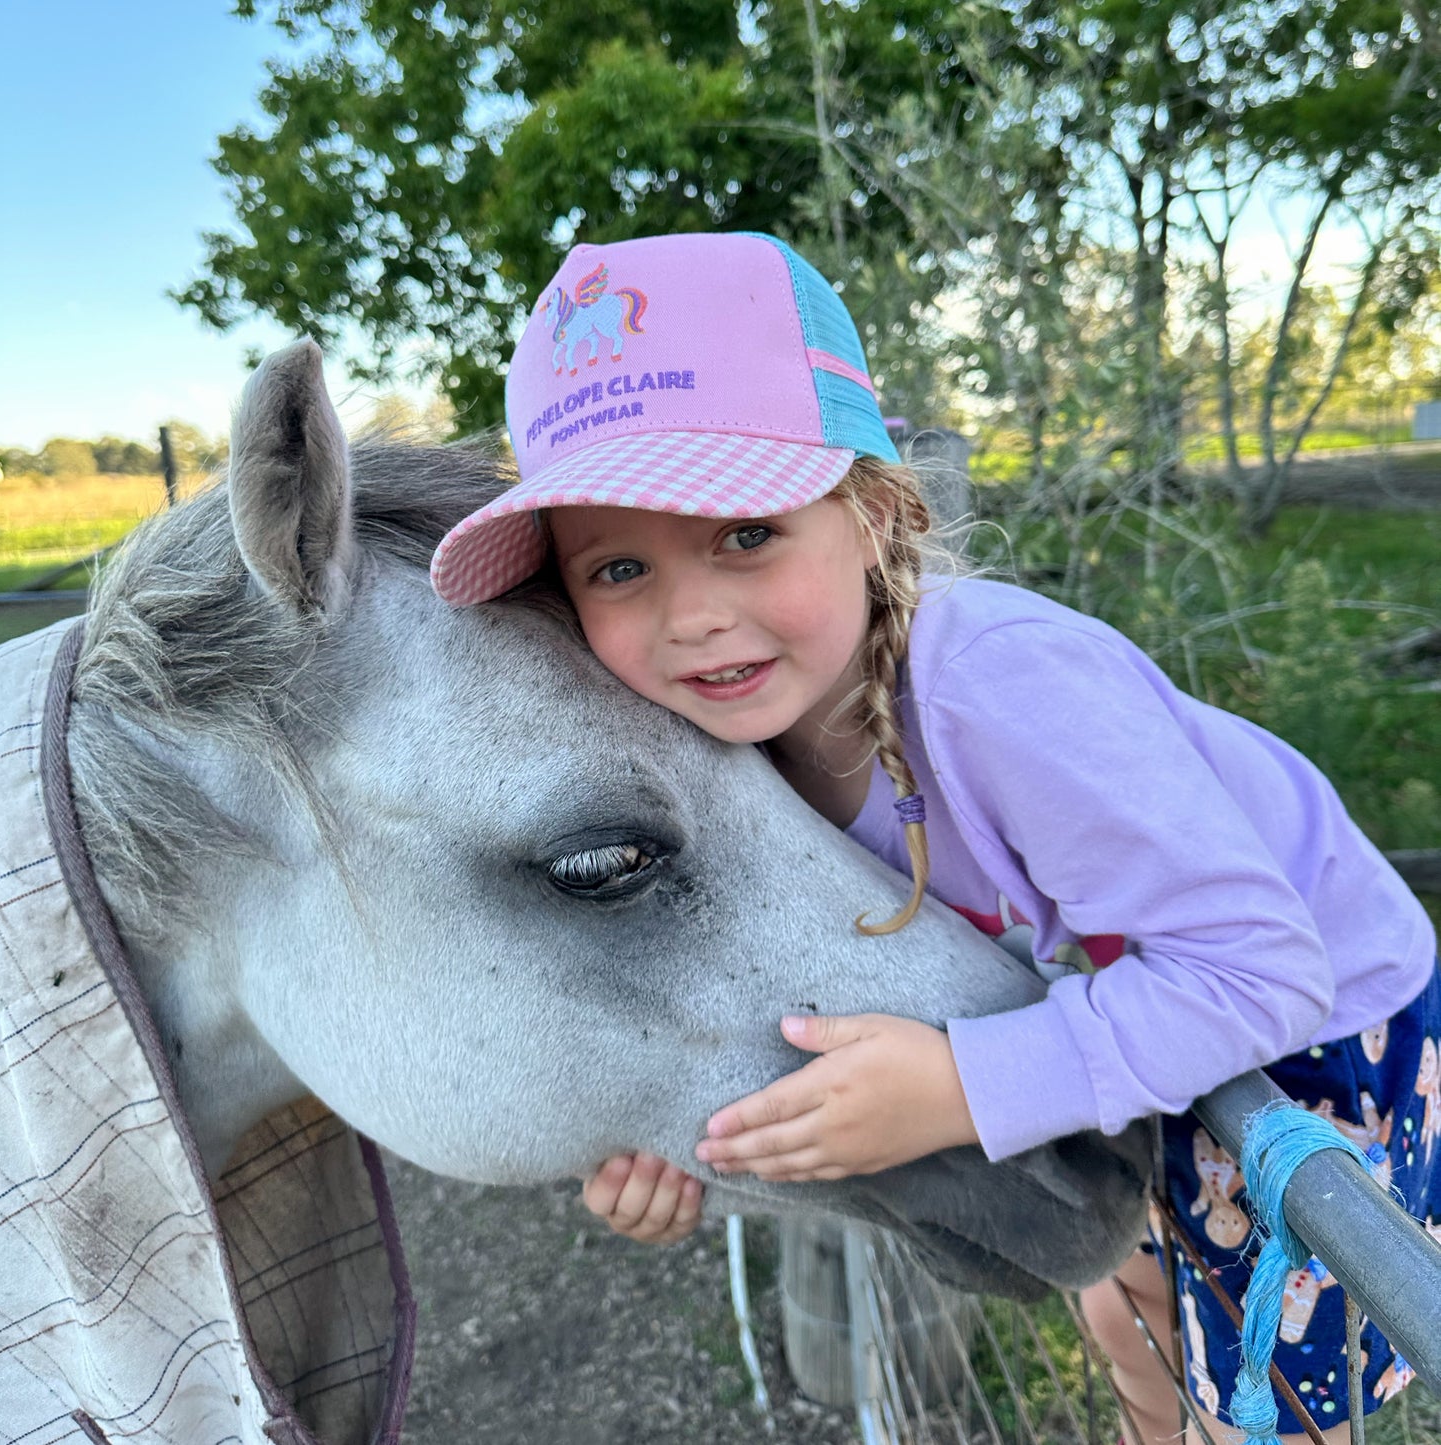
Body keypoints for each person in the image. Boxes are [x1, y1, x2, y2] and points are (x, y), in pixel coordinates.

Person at [430, 230, 1438, 1445]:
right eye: (619, 564)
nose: (691, 614)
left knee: (1259, 1400)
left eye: (745, 532)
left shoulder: (997, 689)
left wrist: (964, 1084)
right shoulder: (722, 745)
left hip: (1311, 1032)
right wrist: (678, 1138)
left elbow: (1263, 972)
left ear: (872, 512)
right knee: (1124, 1307)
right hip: (1122, 1000)